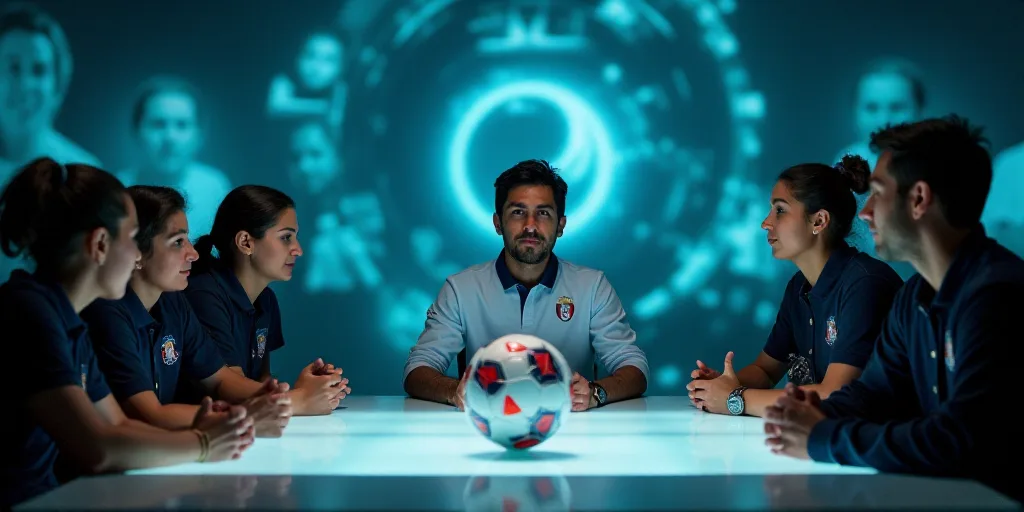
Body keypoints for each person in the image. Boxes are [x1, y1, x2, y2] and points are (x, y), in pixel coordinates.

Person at [764, 115, 1024, 503]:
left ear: (918, 199)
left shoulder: (996, 296)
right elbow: (873, 394)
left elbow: (958, 440)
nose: (865, 212)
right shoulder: (914, 296)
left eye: (879, 193)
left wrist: (823, 437)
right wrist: (807, 412)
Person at [0, 158, 254, 508]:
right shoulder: (29, 311)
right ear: (101, 244)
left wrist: (209, 433)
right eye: (134, 239)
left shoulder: (64, 319)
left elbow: (117, 424)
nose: (138, 255)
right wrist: (205, 444)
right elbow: (98, 449)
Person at [403, 159, 649, 412]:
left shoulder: (593, 287)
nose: (530, 225)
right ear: (498, 223)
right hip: (485, 431)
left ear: (561, 225)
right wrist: (454, 391)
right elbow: (417, 369)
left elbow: (634, 367)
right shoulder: (460, 289)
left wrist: (596, 393)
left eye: (543, 213)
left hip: (575, 431)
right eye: (518, 212)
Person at [686, 155, 903, 418]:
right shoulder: (799, 286)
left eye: (780, 210)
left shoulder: (865, 285)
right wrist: (722, 385)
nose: (765, 223)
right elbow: (765, 370)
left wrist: (735, 399)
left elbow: (835, 395)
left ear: (819, 221)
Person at [81, 186, 296, 435]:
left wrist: (277, 399)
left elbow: (219, 380)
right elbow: (149, 415)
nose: (193, 253)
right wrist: (254, 413)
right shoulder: (107, 312)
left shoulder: (173, 302)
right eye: (178, 242)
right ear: (136, 253)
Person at [185, 185, 350, 415]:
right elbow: (227, 387)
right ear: (246, 242)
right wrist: (299, 399)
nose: (298, 250)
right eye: (286, 237)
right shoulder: (204, 294)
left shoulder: (266, 300)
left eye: (296, 237)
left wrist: (308, 390)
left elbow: (260, 382)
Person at [117, 76, 232, 239]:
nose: (170, 137)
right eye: (158, 124)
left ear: (198, 134)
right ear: (137, 130)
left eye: (182, 125)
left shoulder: (215, 189)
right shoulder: (118, 191)